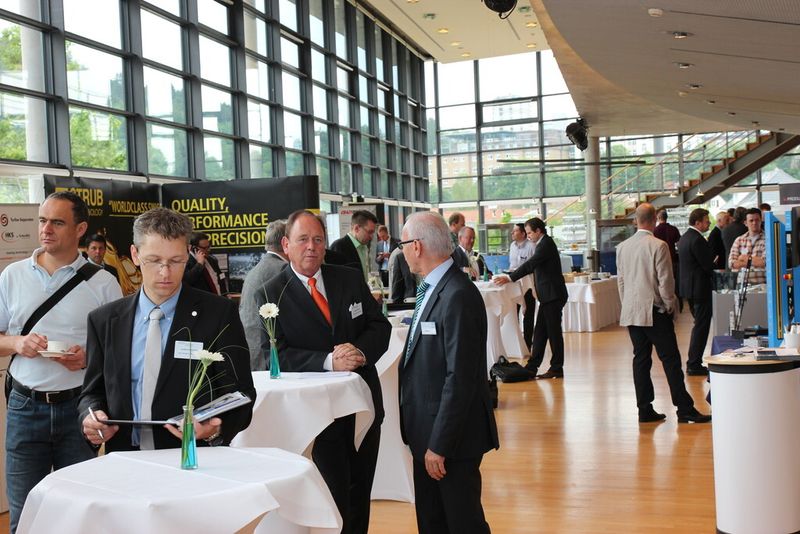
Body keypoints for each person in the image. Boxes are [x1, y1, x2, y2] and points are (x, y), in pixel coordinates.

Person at [79, 208, 255, 453]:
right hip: (124, 459)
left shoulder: (218, 314)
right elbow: (92, 393)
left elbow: (241, 394)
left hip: (192, 458)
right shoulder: (105, 320)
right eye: (154, 261)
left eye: (176, 261)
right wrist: (92, 418)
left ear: (187, 256)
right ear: (135, 254)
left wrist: (215, 428)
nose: (165, 272)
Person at [0, 191, 122, 533]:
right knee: (24, 513)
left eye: (57, 222)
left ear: (80, 228)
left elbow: (118, 353)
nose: (46, 229)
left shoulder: (103, 283)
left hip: (78, 408)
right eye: (42, 220)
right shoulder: (12, 276)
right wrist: (17, 342)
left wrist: (87, 359)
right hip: (25, 406)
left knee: (80, 511)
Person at [264, 210, 390, 534]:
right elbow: (273, 355)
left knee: (361, 491)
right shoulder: (270, 293)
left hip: (363, 406)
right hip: (317, 416)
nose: (311, 247)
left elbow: (379, 326)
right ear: (286, 244)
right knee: (333, 496)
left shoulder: (347, 277)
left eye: (318, 239)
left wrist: (359, 352)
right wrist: (326, 362)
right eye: (303, 239)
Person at [398, 211, 498, 534]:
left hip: (451, 441)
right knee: (433, 521)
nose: (400, 252)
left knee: (463, 523)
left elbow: (461, 378)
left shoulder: (457, 294)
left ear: (416, 246)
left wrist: (439, 444)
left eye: (402, 244)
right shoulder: (434, 288)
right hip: (429, 434)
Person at [616, 203, 711, 424]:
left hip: (632, 311)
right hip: (655, 311)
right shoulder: (658, 246)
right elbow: (665, 282)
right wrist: (671, 306)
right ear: (654, 219)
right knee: (670, 360)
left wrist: (627, 303)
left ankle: (644, 408)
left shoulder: (623, 247)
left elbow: (621, 282)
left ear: (637, 220)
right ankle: (684, 408)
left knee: (640, 359)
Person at [494, 217, 567, 379]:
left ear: (538, 231)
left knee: (553, 333)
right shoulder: (542, 244)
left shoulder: (545, 244)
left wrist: (511, 277)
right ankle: (532, 367)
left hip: (553, 295)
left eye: (529, 233)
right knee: (540, 332)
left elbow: (530, 264)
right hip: (548, 296)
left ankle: (556, 368)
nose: (528, 236)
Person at [239, 220, 288, 371]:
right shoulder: (282, 269)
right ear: (285, 242)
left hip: (252, 345)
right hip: (268, 352)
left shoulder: (258, 268)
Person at [677, 208, 714, 376]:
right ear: (697, 222)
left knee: (698, 326)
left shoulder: (684, 238)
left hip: (689, 289)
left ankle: (693, 362)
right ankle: (694, 363)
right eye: (706, 221)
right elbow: (707, 265)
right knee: (701, 327)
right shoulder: (698, 239)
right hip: (700, 289)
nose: (709, 223)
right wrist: (713, 261)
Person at [508, 223, 536, 351]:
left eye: (515, 231)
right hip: (514, 284)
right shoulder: (512, 246)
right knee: (514, 314)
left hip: (528, 284)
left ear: (523, 233)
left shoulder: (531, 246)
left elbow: (534, 267)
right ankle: (516, 344)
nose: (512, 233)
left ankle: (527, 344)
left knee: (528, 315)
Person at [329, 210, 379, 281]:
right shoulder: (338, 247)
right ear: (356, 228)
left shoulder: (364, 247)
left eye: (373, 233)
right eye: (369, 232)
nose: (371, 237)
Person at [728, 207, 766, 285]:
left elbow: (764, 262)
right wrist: (754, 261)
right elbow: (731, 263)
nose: (754, 223)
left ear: (761, 221)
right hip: (742, 285)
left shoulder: (768, 239)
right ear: (745, 223)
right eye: (751, 220)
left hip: (762, 285)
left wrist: (743, 258)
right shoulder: (739, 240)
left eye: (757, 220)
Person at [654, 209, 682, 311]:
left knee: (661, 282)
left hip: (659, 260)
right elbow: (679, 243)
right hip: (673, 259)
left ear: (658, 218)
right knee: (673, 282)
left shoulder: (655, 231)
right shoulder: (673, 229)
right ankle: (677, 304)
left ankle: (663, 303)